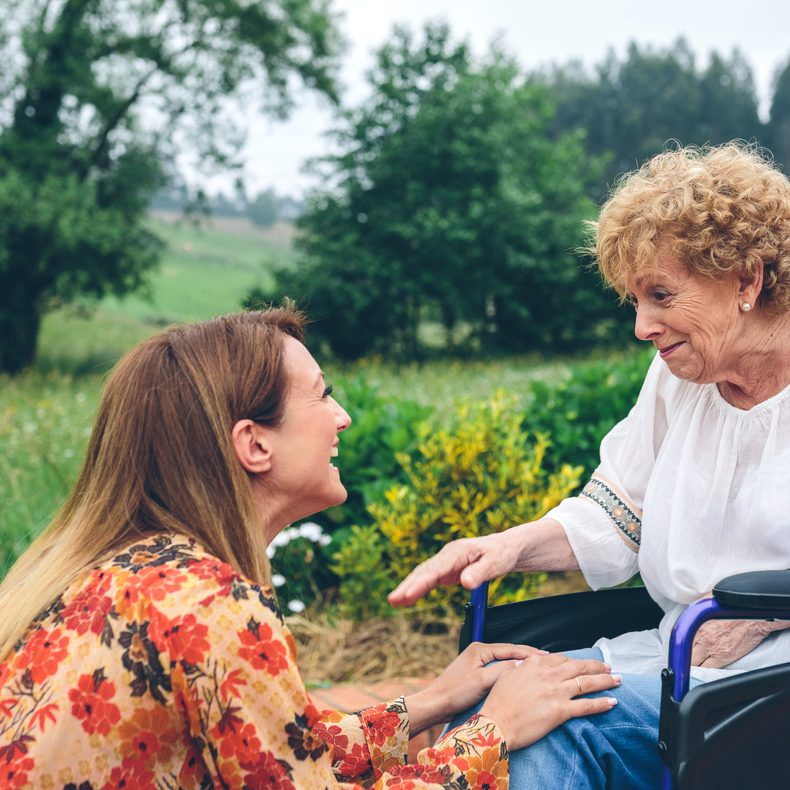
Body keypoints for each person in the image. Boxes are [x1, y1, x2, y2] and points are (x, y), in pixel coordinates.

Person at [0, 309, 619, 788]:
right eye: (322, 394)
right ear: (254, 445)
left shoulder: (121, 570)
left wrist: (432, 701)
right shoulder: (210, 608)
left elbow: (281, 755)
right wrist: (494, 730)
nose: (342, 417)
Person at [389, 142, 790, 789]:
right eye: (634, 300)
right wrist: (504, 547)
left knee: (548, 728)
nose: (642, 326)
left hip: (770, 684)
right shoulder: (677, 381)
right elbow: (617, 514)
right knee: (491, 700)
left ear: (747, 280)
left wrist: (766, 614)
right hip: (679, 657)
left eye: (660, 294)